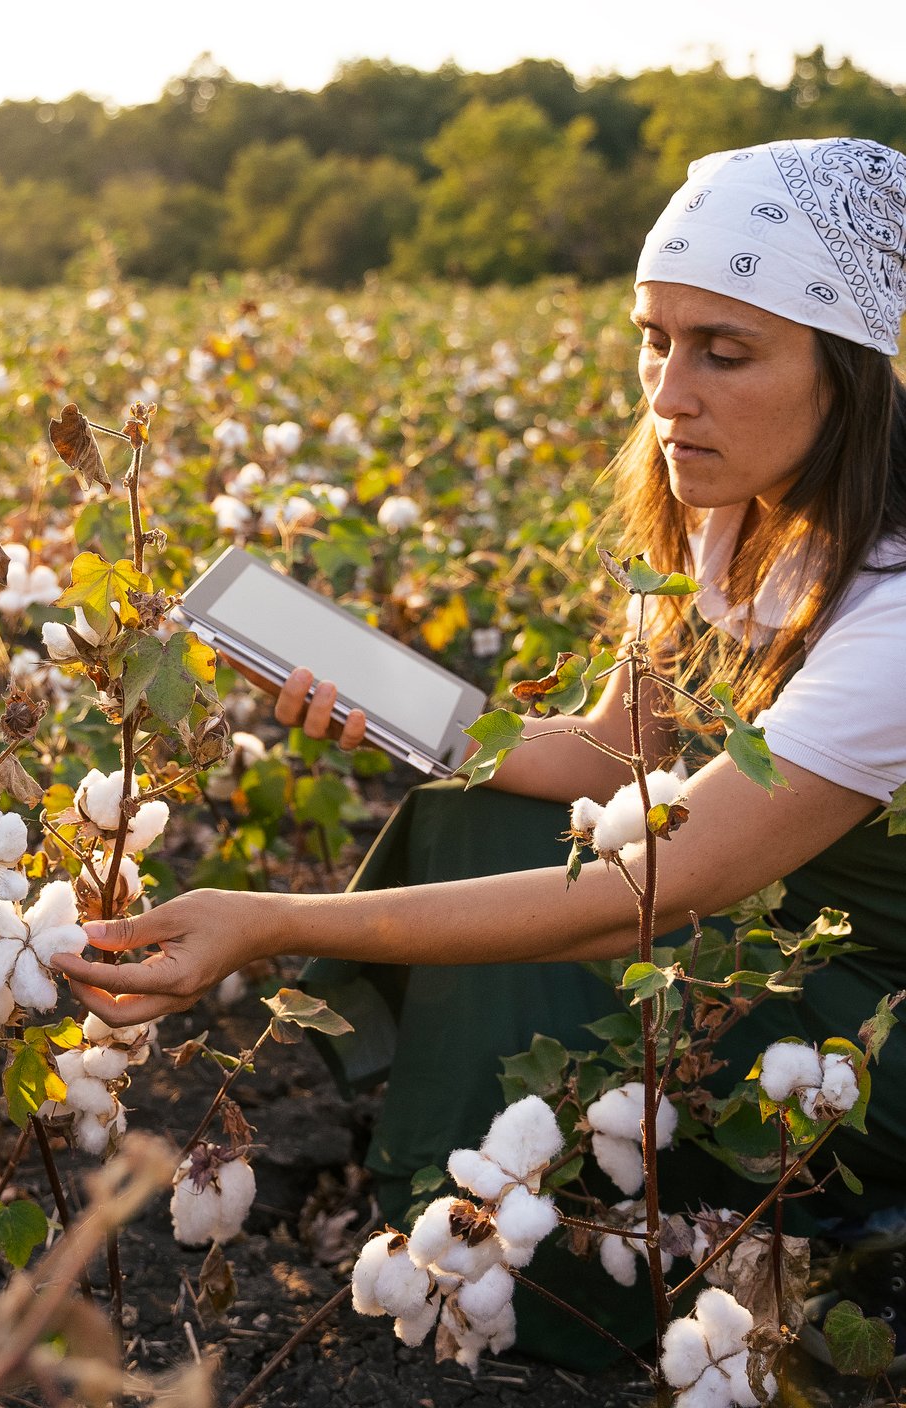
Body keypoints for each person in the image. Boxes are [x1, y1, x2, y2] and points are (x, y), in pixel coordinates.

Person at [56, 137, 906, 1362]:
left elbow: (648, 887)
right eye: (654, 338)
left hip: (863, 1028)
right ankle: (456, 1189)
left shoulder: (889, 610)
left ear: (852, 373)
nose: (667, 394)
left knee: (589, 918)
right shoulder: (725, 518)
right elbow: (620, 753)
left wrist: (272, 918)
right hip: (767, 939)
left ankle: (696, 1248)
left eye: (725, 351)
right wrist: (400, 712)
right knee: (466, 812)